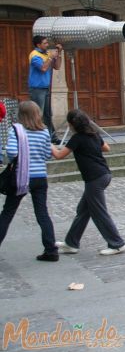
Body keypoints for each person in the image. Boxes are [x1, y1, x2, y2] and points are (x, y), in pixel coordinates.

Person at [53, 109, 125, 256]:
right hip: (104, 174)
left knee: (99, 212)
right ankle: (71, 243)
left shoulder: (77, 139)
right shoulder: (93, 134)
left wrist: (47, 143)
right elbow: (106, 148)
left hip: (95, 179)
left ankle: (117, 243)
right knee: (83, 211)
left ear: (71, 124)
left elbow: (59, 155)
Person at [0, 101, 57, 261]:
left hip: (21, 177)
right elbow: (47, 154)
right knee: (42, 213)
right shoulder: (44, 131)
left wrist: (16, 158)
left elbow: (11, 150)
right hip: (40, 177)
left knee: (7, 213)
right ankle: (51, 250)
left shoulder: (16, 131)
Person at [28, 36, 63, 142]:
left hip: (46, 88)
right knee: (38, 114)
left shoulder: (47, 54)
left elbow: (57, 67)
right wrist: (50, 57)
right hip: (37, 88)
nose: (47, 45)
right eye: (45, 43)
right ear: (38, 45)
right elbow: (43, 68)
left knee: (48, 114)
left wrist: (59, 53)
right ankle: (36, 138)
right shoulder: (34, 55)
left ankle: (52, 137)